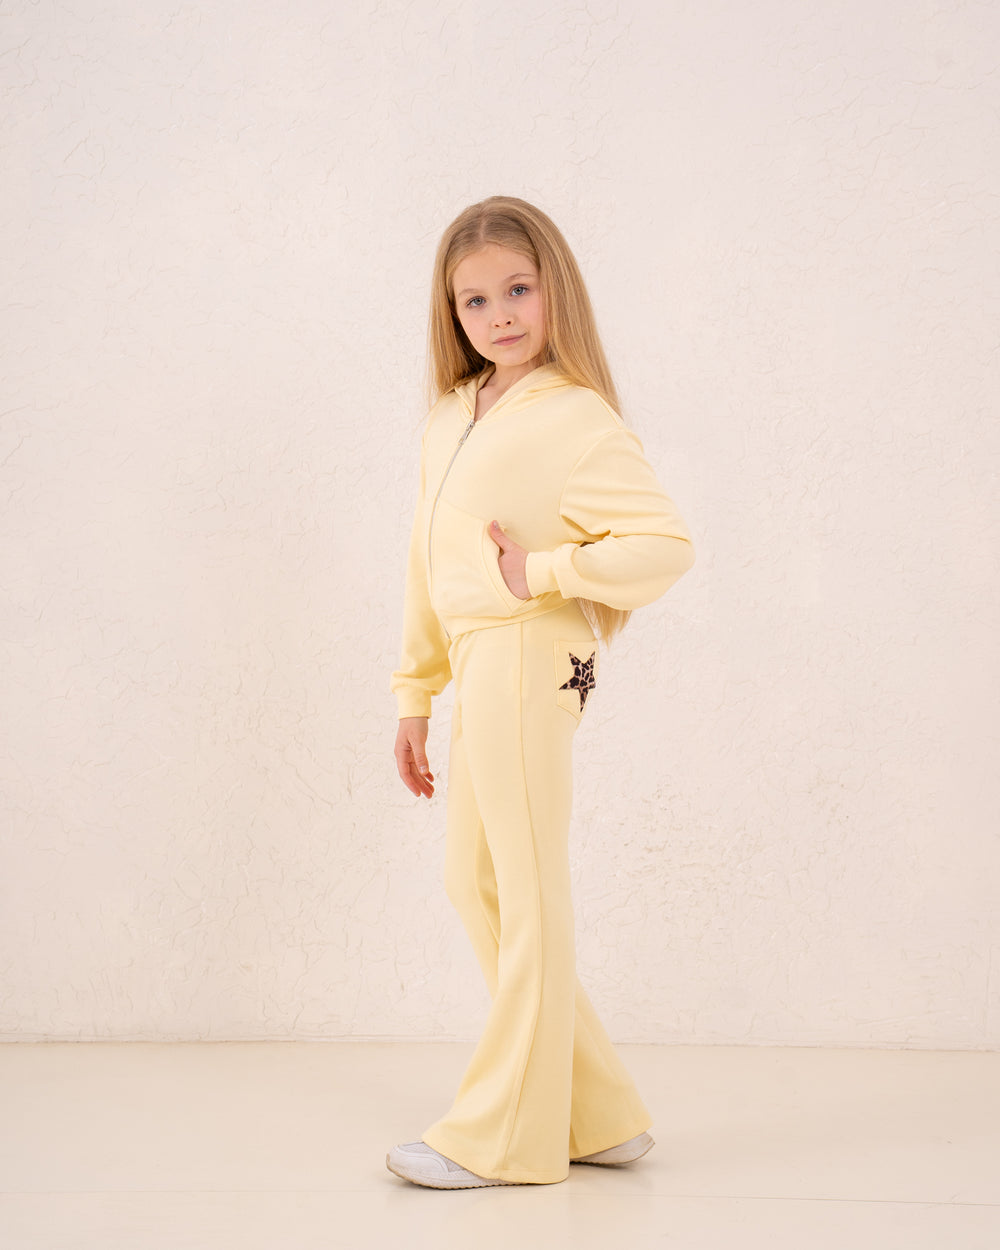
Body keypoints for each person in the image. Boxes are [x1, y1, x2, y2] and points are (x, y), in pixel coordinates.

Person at [386, 196, 695, 1189]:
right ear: (452, 313)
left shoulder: (575, 416)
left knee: (526, 889)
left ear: (553, 287)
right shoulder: (451, 414)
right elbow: (425, 562)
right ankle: (596, 1110)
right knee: (471, 880)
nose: (501, 315)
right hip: (477, 659)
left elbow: (663, 546)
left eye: (519, 288)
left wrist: (545, 571)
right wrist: (414, 693)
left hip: (531, 652)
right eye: (475, 299)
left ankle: (505, 1135)